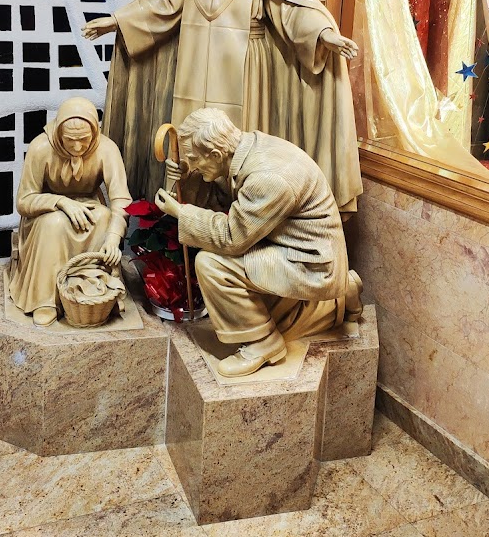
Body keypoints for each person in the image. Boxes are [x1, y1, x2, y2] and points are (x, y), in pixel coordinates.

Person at [82, 0, 362, 211]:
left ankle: (241, 218)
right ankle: (184, 217)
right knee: (189, 147)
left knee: (234, 146)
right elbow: (165, 4)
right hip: (193, 63)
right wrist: (117, 21)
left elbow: (290, 9)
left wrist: (322, 34)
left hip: (244, 70)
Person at [154, 108, 363, 378]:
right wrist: (188, 178)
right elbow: (228, 200)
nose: (193, 164)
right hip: (290, 248)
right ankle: (340, 299)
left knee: (211, 265)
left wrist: (181, 213)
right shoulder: (249, 147)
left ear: (216, 154)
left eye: (194, 159)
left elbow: (231, 238)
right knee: (264, 316)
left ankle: (263, 344)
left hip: (309, 264)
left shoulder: (267, 178)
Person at [8, 97, 131, 326]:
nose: (77, 147)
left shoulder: (106, 148)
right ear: (59, 132)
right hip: (45, 213)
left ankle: (95, 288)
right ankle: (45, 299)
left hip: (89, 207)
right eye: (70, 140)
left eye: (83, 139)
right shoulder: (40, 147)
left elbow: (121, 199)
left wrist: (114, 239)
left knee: (104, 217)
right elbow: (24, 201)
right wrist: (61, 202)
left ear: (94, 132)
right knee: (54, 224)